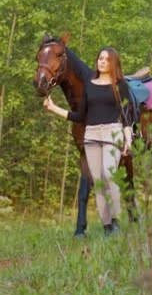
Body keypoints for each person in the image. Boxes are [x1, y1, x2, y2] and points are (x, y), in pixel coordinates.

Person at [43, 47, 135, 237]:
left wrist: (128, 138)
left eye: (106, 59)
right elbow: (79, 115)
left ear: (113, 63)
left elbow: (126, 116)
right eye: (100, 58)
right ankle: (107, 226)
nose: (101, 62)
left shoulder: (120, 85)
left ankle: (116, 221)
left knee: (109, 176)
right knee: (99, 181)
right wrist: (53, 108)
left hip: (112, 133)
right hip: (92, 136)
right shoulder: (90, 85)